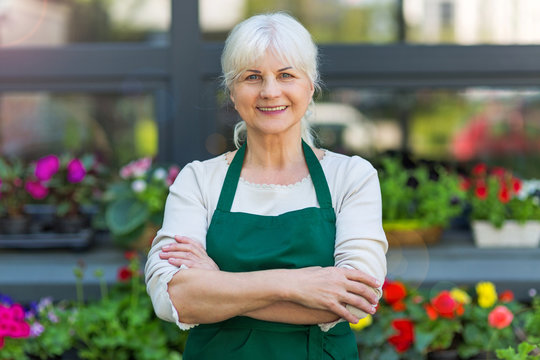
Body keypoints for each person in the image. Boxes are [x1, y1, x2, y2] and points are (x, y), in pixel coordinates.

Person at [144, 12, 387, 360]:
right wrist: (296, 285)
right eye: (253, 77)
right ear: (232, 90)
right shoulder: (198, 180)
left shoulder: (351, 177)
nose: (270, 91)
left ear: (310, 84)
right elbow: (175, 299)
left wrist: (219, 283)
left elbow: (353, 300)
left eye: (286, 75)